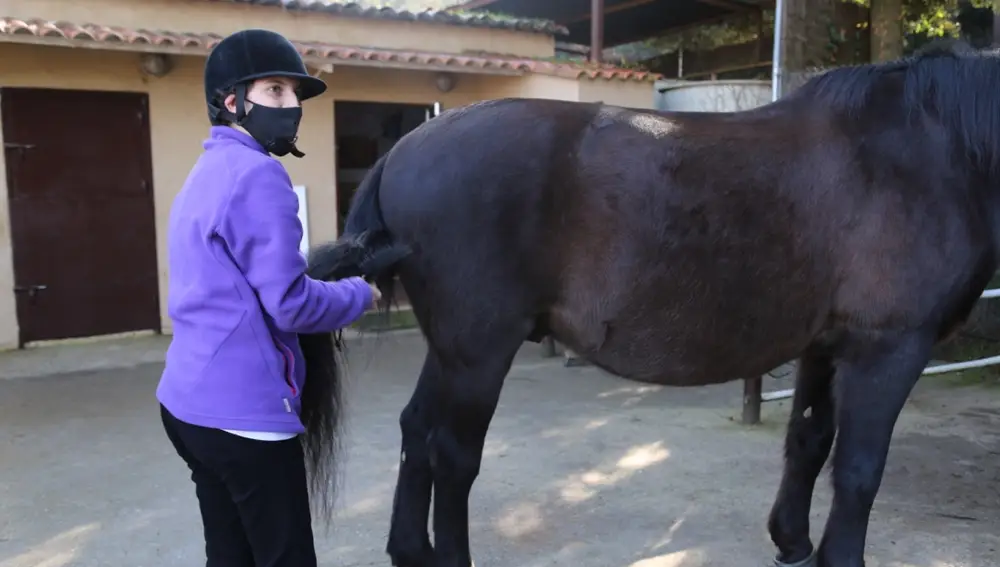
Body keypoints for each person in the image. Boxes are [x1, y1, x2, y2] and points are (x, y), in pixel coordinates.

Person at [155, 28, 380, 567]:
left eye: (294, 95)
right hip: (243, 416)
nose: (291, 106)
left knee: (229, 555)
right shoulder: (259, 175)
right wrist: (357, 294)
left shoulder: (206, 171)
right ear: (232, 102)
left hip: (186, 407)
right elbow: (292, 304)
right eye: (275, 91)